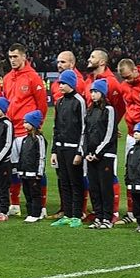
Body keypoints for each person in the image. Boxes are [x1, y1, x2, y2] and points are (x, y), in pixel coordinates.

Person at [3, 45, 48, 214]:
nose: (12, 60)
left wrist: (37, 127)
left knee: (35, 170)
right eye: (10, 57)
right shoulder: (7, 78)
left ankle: (41, 206)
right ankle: (14, 204)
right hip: (12, 131)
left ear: (24, 57)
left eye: (15, 56)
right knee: (14, 169)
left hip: (27, 131)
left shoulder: (33, 77)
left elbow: (42, 104)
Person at [81, 78, 120, 229]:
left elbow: (110, 133)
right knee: (94, 187)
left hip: (106, 155)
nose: (93, 94)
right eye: (91, 91)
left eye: (96, 91)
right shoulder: (90, 111)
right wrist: (86, 152)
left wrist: (97, 152)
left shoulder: (109, 110)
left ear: (102, 93)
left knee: (105, 187)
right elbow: (85, 133)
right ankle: (98, 216)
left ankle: (107, 218)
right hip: (91, 155)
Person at [51, 71, 85, 227]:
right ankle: (67, 214)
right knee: (63, 182)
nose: (60, 86)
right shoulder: (59, 102)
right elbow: (56, 128)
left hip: (73, 148)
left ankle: (77, 215)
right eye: (59, 84)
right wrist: (53, 150)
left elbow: (84, 128)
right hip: (61, 148)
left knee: (75, 182)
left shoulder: (79, 101)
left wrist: (80, 151)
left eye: (63, 83)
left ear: (71, 83)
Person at [16, 110, 48, 223]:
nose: (24, 125)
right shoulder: (25, 139)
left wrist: (39, 172)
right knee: (27, 194)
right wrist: (20, 170)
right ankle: (30, 213)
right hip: (24, 173)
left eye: (26, 122)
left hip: (34, 173)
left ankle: (36, 213)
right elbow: (22, 156)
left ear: (33, 124)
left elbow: (42, 157)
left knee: (35, 194)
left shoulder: (39, 139)